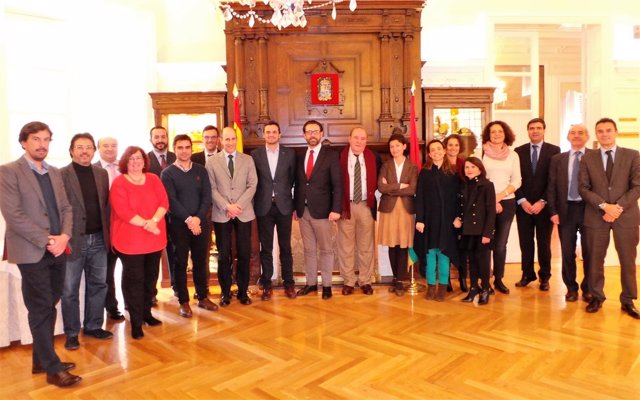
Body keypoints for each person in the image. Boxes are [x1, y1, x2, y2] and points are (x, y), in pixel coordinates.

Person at [0, 121, 81, 387]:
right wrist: (48, 240)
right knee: (40, 307)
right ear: (23, 142)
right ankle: (52, 368)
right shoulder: (8, 172)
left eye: (46, 139)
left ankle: (40, 359)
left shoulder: (55, 173)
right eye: (36, 139)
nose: (42, 144)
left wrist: (65, 237)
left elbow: (67, 208)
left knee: (50, 302)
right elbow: (14, 215)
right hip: (31, 250)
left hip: (58, 248)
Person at [579, 117, 640, 319]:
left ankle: (628, 300)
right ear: (596, 134)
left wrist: (617, 207)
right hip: (596, 216)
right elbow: (583, 188)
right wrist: (605, 206)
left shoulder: (633, 155)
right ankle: (596, 297)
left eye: (608, 130)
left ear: (616, 132)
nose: (604, 134)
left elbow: (637, 186)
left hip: (626, 217)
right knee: (595, 259)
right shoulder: (588, 158)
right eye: (600, 131)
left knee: (628, 260)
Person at [60, 133, 112, 351]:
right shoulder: (61, 174)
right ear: (71, 150)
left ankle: (93, 325)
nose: (84, 151)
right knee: (69, 289)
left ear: (94, 150)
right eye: (79, 147)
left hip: (99, 238)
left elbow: (105, 206)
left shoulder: (101, 174)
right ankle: (72, 333)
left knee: (98, 285)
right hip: (73, 240)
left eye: (89, 147)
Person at [110, 146, 168, 339]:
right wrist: (148, 224)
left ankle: (146, 314)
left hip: (154, 238)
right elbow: (123, 211)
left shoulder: (153, 179)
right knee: (134, 281)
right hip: (130, 241)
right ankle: (135, 321)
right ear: (125, 161)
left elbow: (164, 203)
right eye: (132, 159)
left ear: (145, 161)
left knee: (150, 279)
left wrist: (152, 222)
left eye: (139, 158)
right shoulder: (119, 183)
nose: (135, 162)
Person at [161, 134, 217, 317]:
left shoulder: (201, 170)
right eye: (180, 147)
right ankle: (183, 301)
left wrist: (198, 219)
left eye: (187, 147)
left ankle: (202, 296)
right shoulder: (168, 173)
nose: (184, 151)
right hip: (179, 225)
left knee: (201, 261)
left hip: (201, 224)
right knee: (180, 262)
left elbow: (207, 197)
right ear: (174, 149)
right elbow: (171, 200)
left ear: (191, 149)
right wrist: (189, 220)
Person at [206, 127, 257, 306]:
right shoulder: (212, 162)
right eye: (226, 139)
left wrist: (238, 206)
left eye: (233, 139)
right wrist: (227, 206)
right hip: (222, 213)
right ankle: (225, 292)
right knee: (223, 255)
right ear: (220, 140)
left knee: (244, 253)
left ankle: (243, 292)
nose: (230, 142)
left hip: (243, 212)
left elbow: (252, 185)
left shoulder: (248, 160)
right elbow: (211, 188)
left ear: (237, 140)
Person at [294, 120, 343, 299]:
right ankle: (311, 283)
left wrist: (336, 208)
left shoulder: (331, 155)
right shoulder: (299, 155)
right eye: (309, 132)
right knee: (308, 249)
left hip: (323, 211)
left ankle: (327, 285)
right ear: (304, 135)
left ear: (322, 134)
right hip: (303, 210)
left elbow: (338, 185)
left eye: (315, 131)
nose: (312, 135)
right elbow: (298, 184)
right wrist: (294, 207)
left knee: (326, 249)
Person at [251, 121, 297, 300]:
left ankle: (289, 283)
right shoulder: (255, 155)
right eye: (268, 132)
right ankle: (267, 284)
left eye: (274, 132)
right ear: (264, 135)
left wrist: (291, 203)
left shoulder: (290, 154)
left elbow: (292, 180)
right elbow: (253, 181)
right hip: (264, 206)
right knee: (266, 248)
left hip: (284, 205)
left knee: (286, 247)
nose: (271, 135)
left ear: (279, 135)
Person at [547, 124, 593, 302]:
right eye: (573, 133)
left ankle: (588, 288)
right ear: (568, 136)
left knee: (589, 251)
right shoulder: (558, 159)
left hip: (589, 210)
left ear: (587, 136)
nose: (576, 136)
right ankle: (571, 288)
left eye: (580, 133)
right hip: (566, 210)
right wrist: (553, 211)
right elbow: (551, 186)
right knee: (567, 251)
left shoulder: (594, 157)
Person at [514, 118, 560, 291]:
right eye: (532, 128)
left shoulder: (554, 150)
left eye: (538, 128)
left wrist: (542, 201)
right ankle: (527, 274)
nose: (535, 131)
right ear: (527, 131)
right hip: (523, 205)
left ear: (544, 130)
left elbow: (553, 180)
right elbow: (515, 178)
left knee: (543, 243)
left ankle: (545, 277)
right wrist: (522, 200)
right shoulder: (519, 151)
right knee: (525, 242)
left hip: (544, 206)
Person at [337, 127, 381, 296]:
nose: (359, 141)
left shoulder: (374, 157)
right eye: (356, 138)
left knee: (366, 246)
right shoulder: (338, 157)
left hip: (365, 205)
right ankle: (348, 281)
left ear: (366, 141)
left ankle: (365, 281)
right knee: (346, 246)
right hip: (345, 206)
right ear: (349, 139)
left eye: (363, 138)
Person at [415, 139, 460, 301]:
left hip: (448, 220)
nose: (436, 152)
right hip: (429, 220)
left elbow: (458, 198)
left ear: (444, 150)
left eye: (439, 149)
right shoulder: (425, 173)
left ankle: (442, 286)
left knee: (444, 253)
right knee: (430, 253)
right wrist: (419, 219)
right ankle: (431, 286)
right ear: (429, 154)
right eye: (432, 150)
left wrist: (458, 217)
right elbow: (419, 197)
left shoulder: (453, 172)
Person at [481, 120, 522, 295]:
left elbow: (517, 180)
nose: (496, 134)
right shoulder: (481, 153)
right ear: (488, 135)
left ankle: (498, 279)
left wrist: (501, 195)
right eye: (493, 132)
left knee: (500, 244)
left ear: (505, 134)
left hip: (507, 202)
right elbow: (479, 179)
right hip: (486, 202)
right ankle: (485, 280)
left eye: (499, 131)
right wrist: (492, 199)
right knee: (485, 242)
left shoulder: (513, 155)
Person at [378, 132, 418, 296]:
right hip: (389, 210)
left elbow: (412, 189)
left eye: (397, 146)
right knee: (391, 244)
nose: (394, 149)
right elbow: (381, 187)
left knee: (403, 245)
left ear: (404, 147)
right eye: (391, 146)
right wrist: (400, 185)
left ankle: (401, 280)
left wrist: (392, 187)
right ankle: (395, 277)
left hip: (405, 209)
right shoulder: (385, 165)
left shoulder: (412, 166)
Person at [458, 157, 496, 305]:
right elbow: (462, 208)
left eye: (473, 167)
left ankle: (485, 288)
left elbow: (491, 211)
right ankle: (473, 288)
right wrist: (458, 220)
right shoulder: (463, 185)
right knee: (472, 261)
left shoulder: (487, 185)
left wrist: (488, 233)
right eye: (467, 167)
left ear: (480, 169)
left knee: (483, 261)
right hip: (468, 229)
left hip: (481, 230)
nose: (469, 170)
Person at [95, 136, 125, 320]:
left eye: (113, 145)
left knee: (131, 270)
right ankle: (111, 307)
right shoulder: (93, 170)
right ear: (98, 148)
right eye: (105, 145)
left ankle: (132, 302)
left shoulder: (126, 167)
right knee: (107, 272)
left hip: (127, 227)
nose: (110, 149)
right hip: (104, 229)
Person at [147, 126, 176, 303]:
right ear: (150, 139)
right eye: (156, 137)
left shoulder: (175, 157)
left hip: (175, 214)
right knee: (153, 255)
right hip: (153, 215)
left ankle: (177, 288)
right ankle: (151, 293)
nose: (160, 140)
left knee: (175, 252)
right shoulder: (145, 160)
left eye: (163, 136)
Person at [191, 125, 220, 297]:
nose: (210, 140)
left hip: (222, 209)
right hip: (202, 211)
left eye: (213, 137)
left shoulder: (225, 156)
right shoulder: (194, 158)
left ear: (218, 139)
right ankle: (203, 287)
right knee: (202, 252)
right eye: (206, 137)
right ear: (202, 139)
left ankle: (227, 286)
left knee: (226, 250)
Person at [443, 133, 467, 292]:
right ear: (445, 147)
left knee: (462, 247)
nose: (453, 148)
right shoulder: (440, 164)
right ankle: (446, 281)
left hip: (461, 210)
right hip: (444, 211)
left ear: (460, 148)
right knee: (445, 246)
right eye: (450, 145)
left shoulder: (465, 164)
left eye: (456, 145)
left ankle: (463, 278)